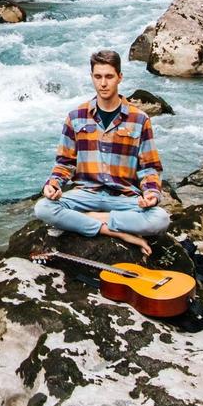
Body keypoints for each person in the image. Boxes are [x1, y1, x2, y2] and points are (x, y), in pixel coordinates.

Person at [33, 48, 169, 255]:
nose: (103, 83)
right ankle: (115, 231)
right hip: (85, 194)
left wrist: (151, 194)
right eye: (98, 77)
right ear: (92, 77)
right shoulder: (76, 116)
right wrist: (53, 184)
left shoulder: (139, 119)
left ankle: (89, 218)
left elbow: (149, 167)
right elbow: (65, 162)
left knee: (160, 219)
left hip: (124, 198)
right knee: (43, 208)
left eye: (109, 77)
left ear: (119, 77)